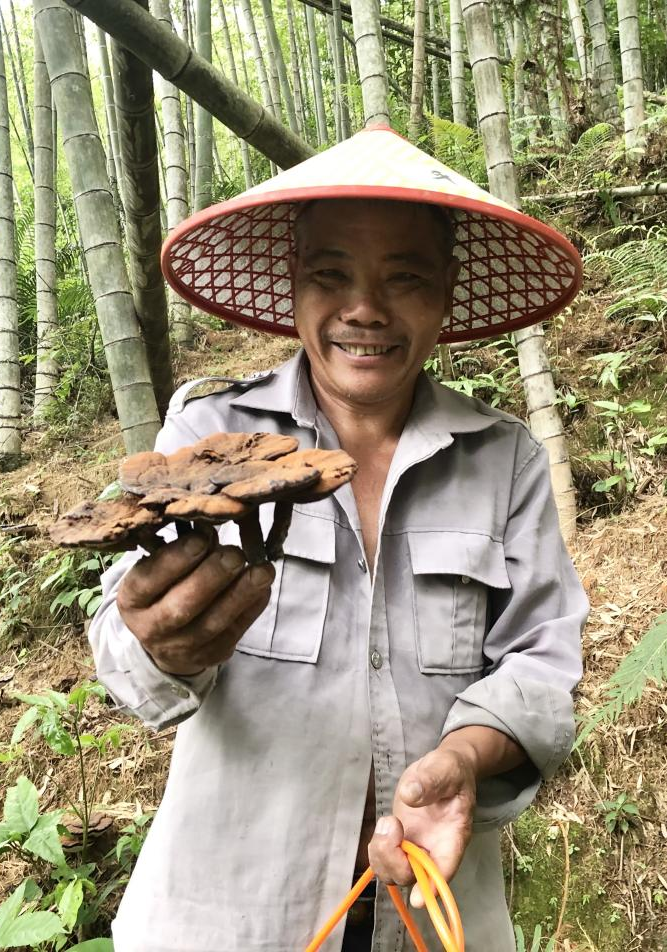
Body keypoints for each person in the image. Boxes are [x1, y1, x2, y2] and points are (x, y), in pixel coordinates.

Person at [89, 125, 587, 952]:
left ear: (446, 296)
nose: (364, 309)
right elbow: (123, 648)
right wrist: (161, 646)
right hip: (231, 915)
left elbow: (541, 661)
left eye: (405, 278)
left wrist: (462, 757)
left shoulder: (502, 460)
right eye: (331, 276)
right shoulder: (209, 432)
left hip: (432, 907)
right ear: (293, 288)